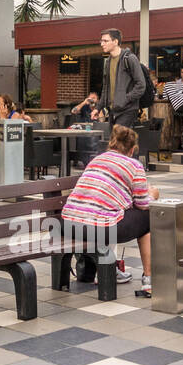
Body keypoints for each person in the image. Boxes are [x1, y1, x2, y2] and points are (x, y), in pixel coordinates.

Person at [58, 124, 160, 296]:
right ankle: (149, 279)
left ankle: (110, 268)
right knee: (148, 218)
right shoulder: (134, 165)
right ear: (133, 149)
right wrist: (153, 195)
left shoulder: (97, 159)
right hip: (98, 226)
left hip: (67, 223)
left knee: (110, 213)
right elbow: (143, 205)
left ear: (111, 144)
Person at [94, 27, 146, 129]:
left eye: (105, 41)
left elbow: (141, 85)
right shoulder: (108, 61)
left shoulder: (130, 58)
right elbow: (106, 88)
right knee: (117, 142)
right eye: (101, 41)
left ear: (115, 41)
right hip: (113, 110)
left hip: (128, 110)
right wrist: (98, 108)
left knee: (118, 142)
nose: (102, 44)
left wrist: (125, 99)